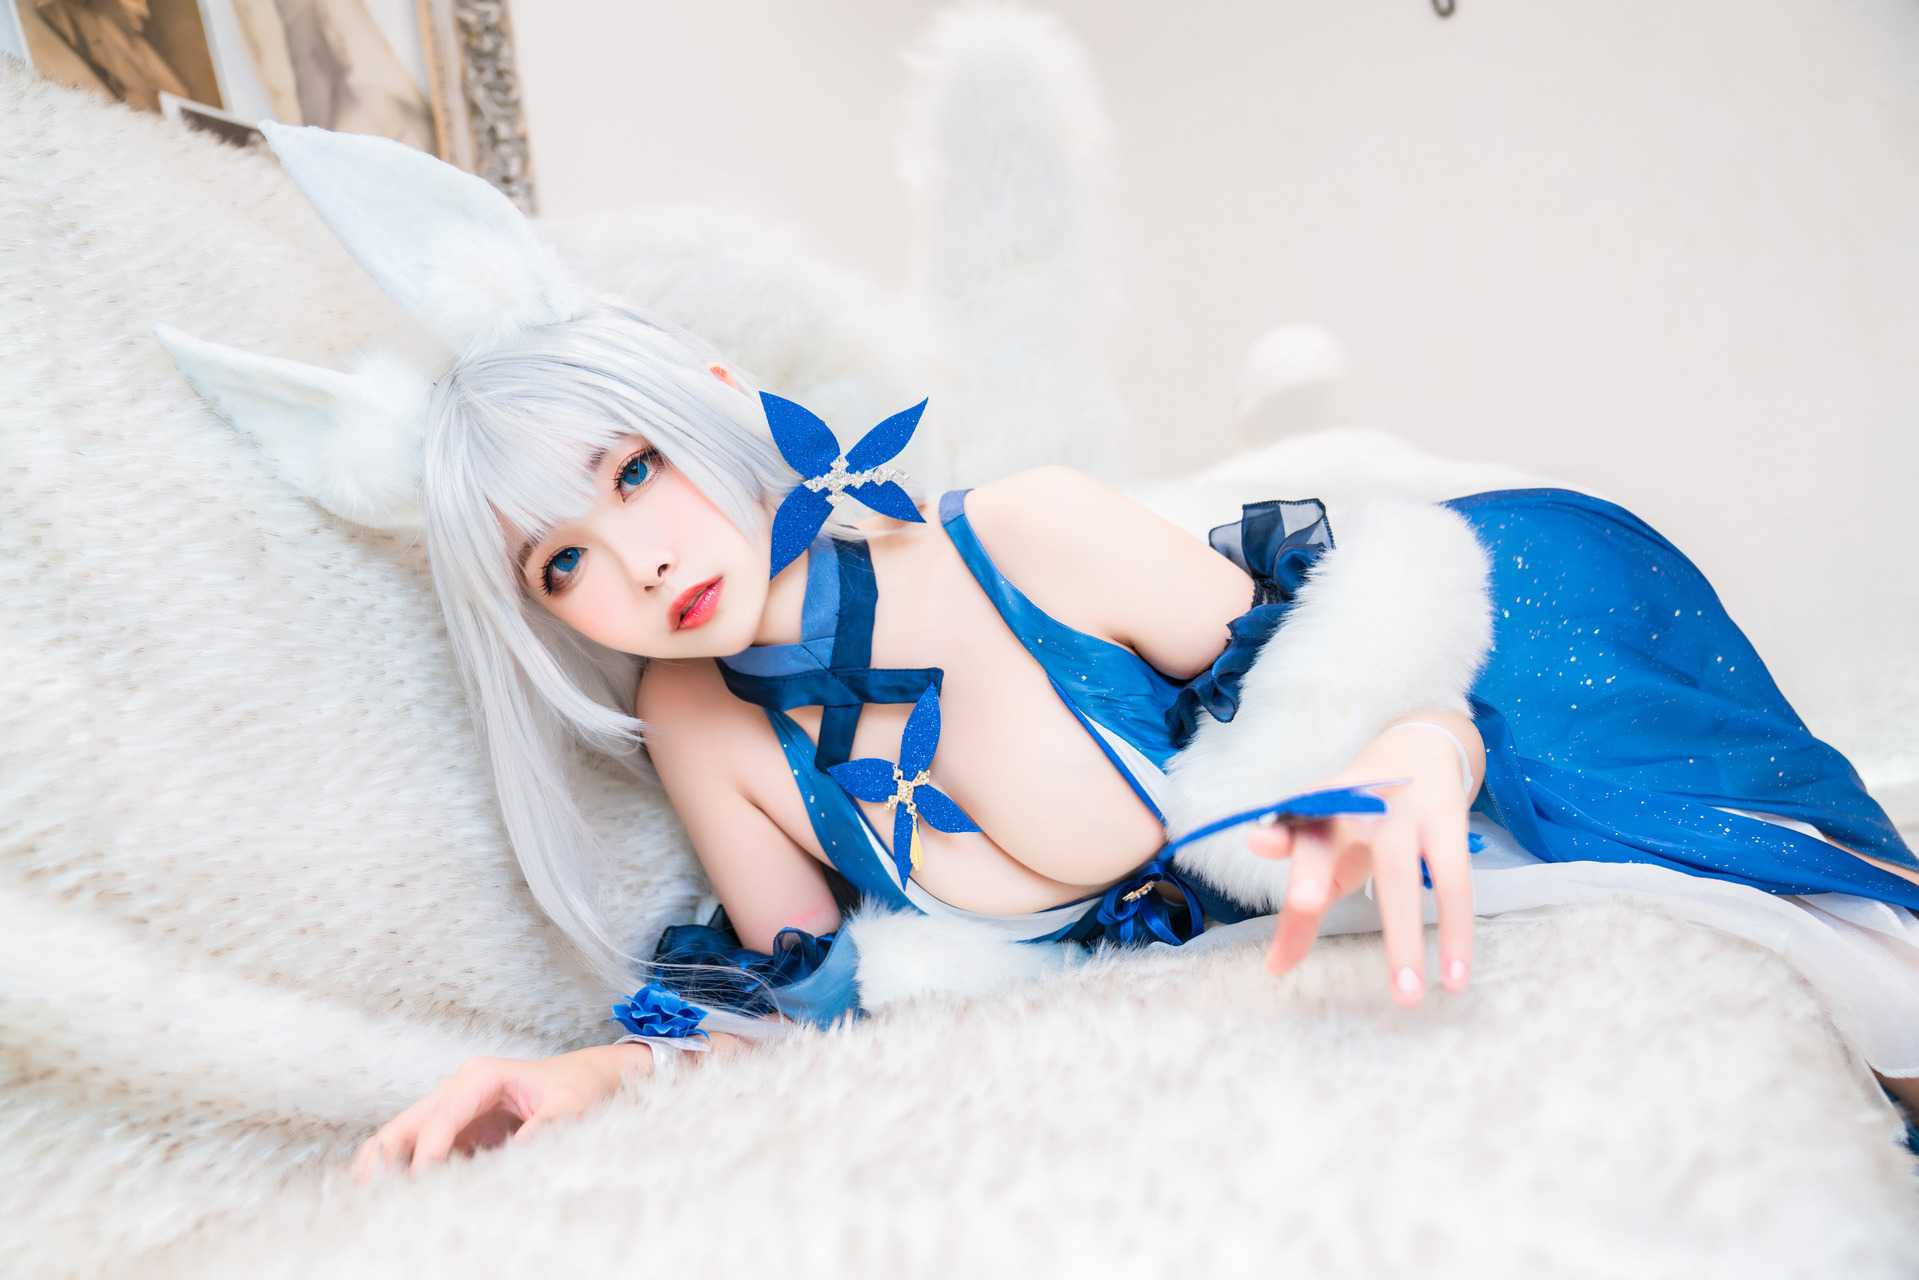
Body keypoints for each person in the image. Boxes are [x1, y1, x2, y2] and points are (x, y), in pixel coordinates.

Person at [150, 122, 1919, 1182]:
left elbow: (1365, 664)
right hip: (1261, 873)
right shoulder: (706, 725)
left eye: (633, 473)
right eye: (563, 562)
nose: (644, 562)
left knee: (1806, 948)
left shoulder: (1029, 531)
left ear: (710, 399)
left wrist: (1418, 748)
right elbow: (797, 1005)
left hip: (1492, 662)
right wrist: (581, 1080)